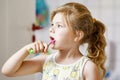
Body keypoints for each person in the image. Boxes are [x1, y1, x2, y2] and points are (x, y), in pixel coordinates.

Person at [1, 2, 107, 80]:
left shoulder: (87, 68)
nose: (51, 29)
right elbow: (7, 71)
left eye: (59, 26)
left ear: (77, 35)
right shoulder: (45, 61)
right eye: (52, 24)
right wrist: (26, 50)